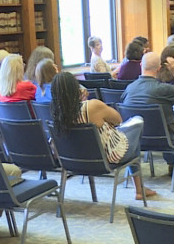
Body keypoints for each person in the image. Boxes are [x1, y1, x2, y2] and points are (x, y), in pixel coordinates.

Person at [50, 72, 156, 200]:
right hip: (106, 158)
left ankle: (139, 188)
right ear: (76, 89)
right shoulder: (92, 106)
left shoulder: (56, 115)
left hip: (74, 162)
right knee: (137, 123)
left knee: (129, 139)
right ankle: (139, 189)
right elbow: (118, 120)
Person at [120, 52, 174, 178]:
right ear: (159, 68)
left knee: (164, 126)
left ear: (141, 65)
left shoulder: (129, 89)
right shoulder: (163, 89)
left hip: (137, 139)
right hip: (165, 136)